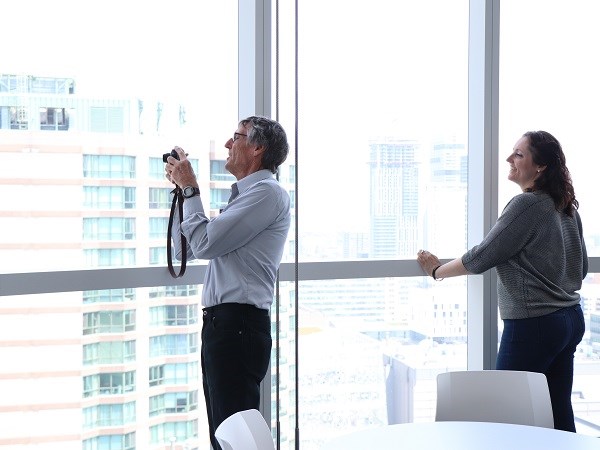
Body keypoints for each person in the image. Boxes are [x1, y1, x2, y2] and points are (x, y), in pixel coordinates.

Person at [417, 130, 587, 432]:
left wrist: (436, 271)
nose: (510, 159)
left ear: (541, 166)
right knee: (559, 414)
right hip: (570, 319)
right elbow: (581, 268)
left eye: (519, 154)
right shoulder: (565, 206)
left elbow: (482, 256)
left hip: (534, 325)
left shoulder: (528, 205)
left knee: (503, 418)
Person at [165, 115, 291, 449]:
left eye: (236, 137)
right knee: (225, 435)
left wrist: (191, 188)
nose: (227, 144)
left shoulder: (267, 194)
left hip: (238, 327)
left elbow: (204, 243)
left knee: (235, 436)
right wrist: (182, 193)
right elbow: (188, 248)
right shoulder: (247, 197)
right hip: (226, 326)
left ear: (257, 148)